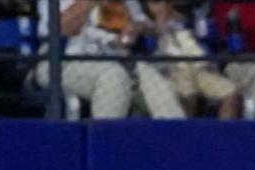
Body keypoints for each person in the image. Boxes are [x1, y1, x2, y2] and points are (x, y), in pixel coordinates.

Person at [34, 0, 183, 118]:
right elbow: (61, 29)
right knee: (114, 77)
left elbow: (147, 25)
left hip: (115, 60)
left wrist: (136, 28)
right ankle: (104, 146)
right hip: (60, 61)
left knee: (158, 83)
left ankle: (181, 144)